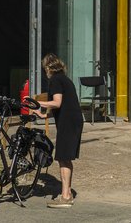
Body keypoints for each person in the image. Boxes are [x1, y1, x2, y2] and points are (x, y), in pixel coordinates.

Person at [32, 53, 84, 208]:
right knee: (66, 157)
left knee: (62, 157)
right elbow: (62, 103)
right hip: (73, 121)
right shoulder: (64, 79)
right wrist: (43, 114)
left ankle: (66, 197)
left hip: (68, 123)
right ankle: (67, 193)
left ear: (48, 68)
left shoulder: (55, 80)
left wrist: (38, 102)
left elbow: (57, 102)